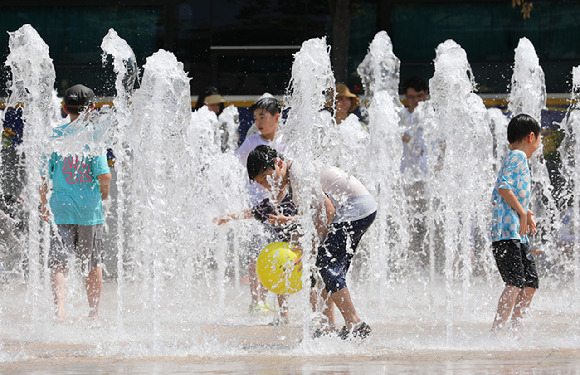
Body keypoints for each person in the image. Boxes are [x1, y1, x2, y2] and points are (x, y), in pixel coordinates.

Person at [246, 145, 377, 339]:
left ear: (278, 163)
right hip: (357, 208)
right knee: (326, 267)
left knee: (325, 264)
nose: (268, 185)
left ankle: (355, 323)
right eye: (261, 183)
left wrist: (313, 248)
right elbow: (314, 215)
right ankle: (327, 325)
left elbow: (328, 210)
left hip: (355, 207)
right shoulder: (294, 176)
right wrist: (289, 222)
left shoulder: (298, 175)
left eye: (266, 177)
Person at [40, 84, 112, 321]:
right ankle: (94, 314)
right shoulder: (94, 136)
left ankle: (60, 311)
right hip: (89, 210)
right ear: (91, 109)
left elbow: (43, 176)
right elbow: (104, 176)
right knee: (92, 263)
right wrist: (104, 195)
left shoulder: (54, 136)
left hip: (60, 208)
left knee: (59, 263)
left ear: (64, 107)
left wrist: (43, 205)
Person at [232, 95, 290, 324]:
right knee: (256, 254)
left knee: (280, 255)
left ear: (277, 117)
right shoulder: (251, 142)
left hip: (281, 209)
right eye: (255, 117)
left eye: (263, 117)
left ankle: (283, 308)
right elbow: (234, 166)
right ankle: (258, 301)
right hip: (257, 207)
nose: (258, 122)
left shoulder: (286, 143)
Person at [490, 113, 541, 336]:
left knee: (530, 282)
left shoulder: (517, 158)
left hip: (516, 234)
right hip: (506, 233)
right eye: (539, 139)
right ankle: (498, 332)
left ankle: (515, 330)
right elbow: (503, 187)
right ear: (531, 137)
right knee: (514, 282)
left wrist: (525, 211)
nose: (539, 144)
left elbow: (506, 193)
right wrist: (522, 212)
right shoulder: (518, 156)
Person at [399, 77, 429, 267]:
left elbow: (442, 144)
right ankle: (413, 261)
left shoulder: (433, 116)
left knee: (429, 220)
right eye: (411, 97)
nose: (416, 101)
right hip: (407, 177)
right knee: (409, 220)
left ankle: (430, 260)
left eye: (419, 96)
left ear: (426, 95)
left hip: (428, 177)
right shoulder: (401, 116)